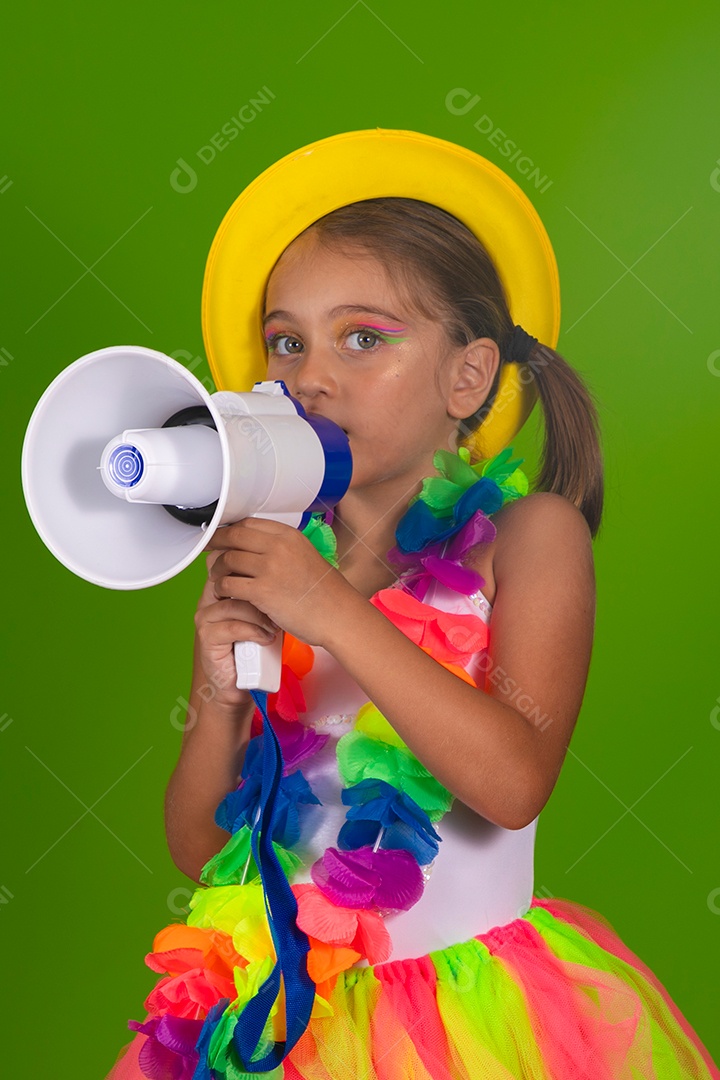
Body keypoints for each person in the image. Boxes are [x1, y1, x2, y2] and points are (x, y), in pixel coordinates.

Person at [107, 130, 719, 1079]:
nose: (310, 374)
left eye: (363, 337)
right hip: (284, 1028)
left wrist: (334, 613)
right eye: (286, 341)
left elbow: (513, 784)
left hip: (463, 1025)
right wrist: (224, 696)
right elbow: (201, 851)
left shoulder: (530, 536)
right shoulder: (266, 557)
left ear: (466, 376)